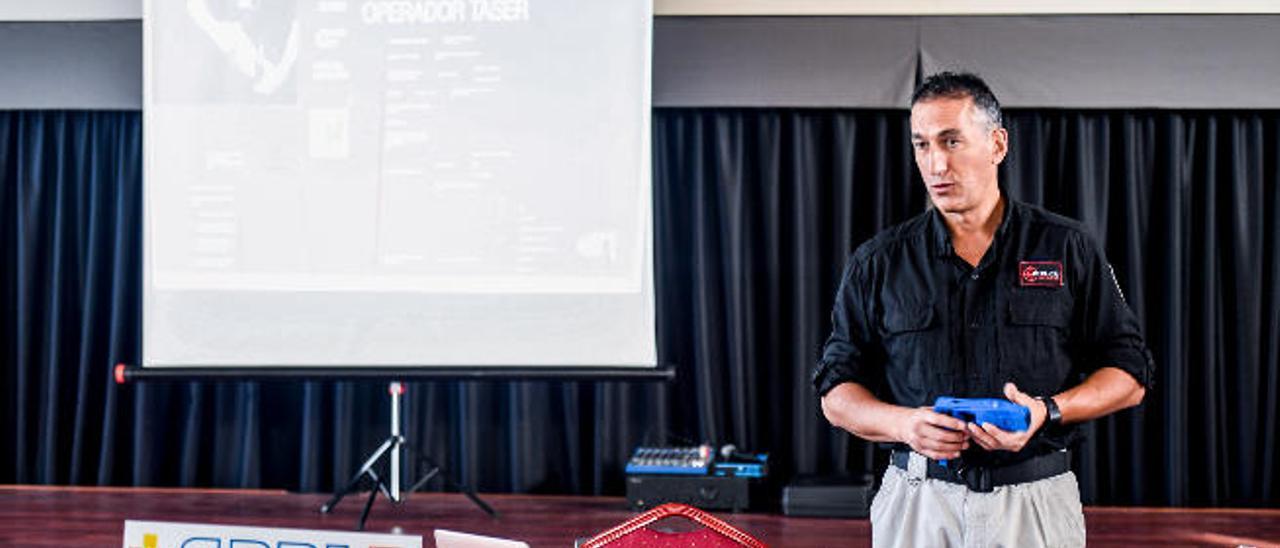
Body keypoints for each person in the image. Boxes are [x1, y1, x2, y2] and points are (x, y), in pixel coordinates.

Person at [813, 72, 1154, 547]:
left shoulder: (1068, 247)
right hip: (918, 506)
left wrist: (1046, 411)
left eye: (951, 141)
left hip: (1036, 504)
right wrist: (904, 424)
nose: (935, 163)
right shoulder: (878, 262)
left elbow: (1130, 375)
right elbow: (834, 390)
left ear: (997, 144)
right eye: (922, 145)